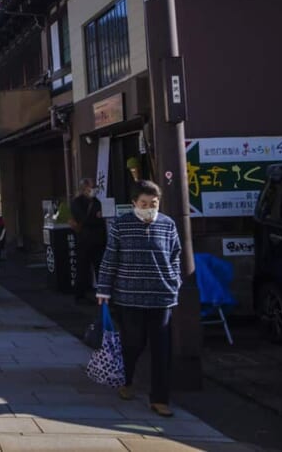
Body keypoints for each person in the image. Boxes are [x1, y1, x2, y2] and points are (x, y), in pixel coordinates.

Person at [95, 180, 182, 418]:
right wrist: (103, 289)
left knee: (162, 349)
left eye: (153, 204)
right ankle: (128, 380)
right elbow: (110, 258)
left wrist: (175, 282)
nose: (149, 208)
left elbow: (176, 256)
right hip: (129, 296)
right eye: (144, 203)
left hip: (161, 296)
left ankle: (160, 398)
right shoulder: (121, 226)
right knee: (132, 343)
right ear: (134, 203)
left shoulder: (168, 224)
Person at [71, 177, 108, 304]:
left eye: (94, 187)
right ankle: (80, 295)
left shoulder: (97, 201)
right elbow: (83, 219)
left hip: (98, 240)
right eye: (91, 187)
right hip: (84, 240)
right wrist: (97, 218)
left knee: (100, 268)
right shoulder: (77, 202)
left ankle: (102, 295)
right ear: (84, 189)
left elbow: (101, 218)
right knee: (83, 268)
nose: (93, 190)